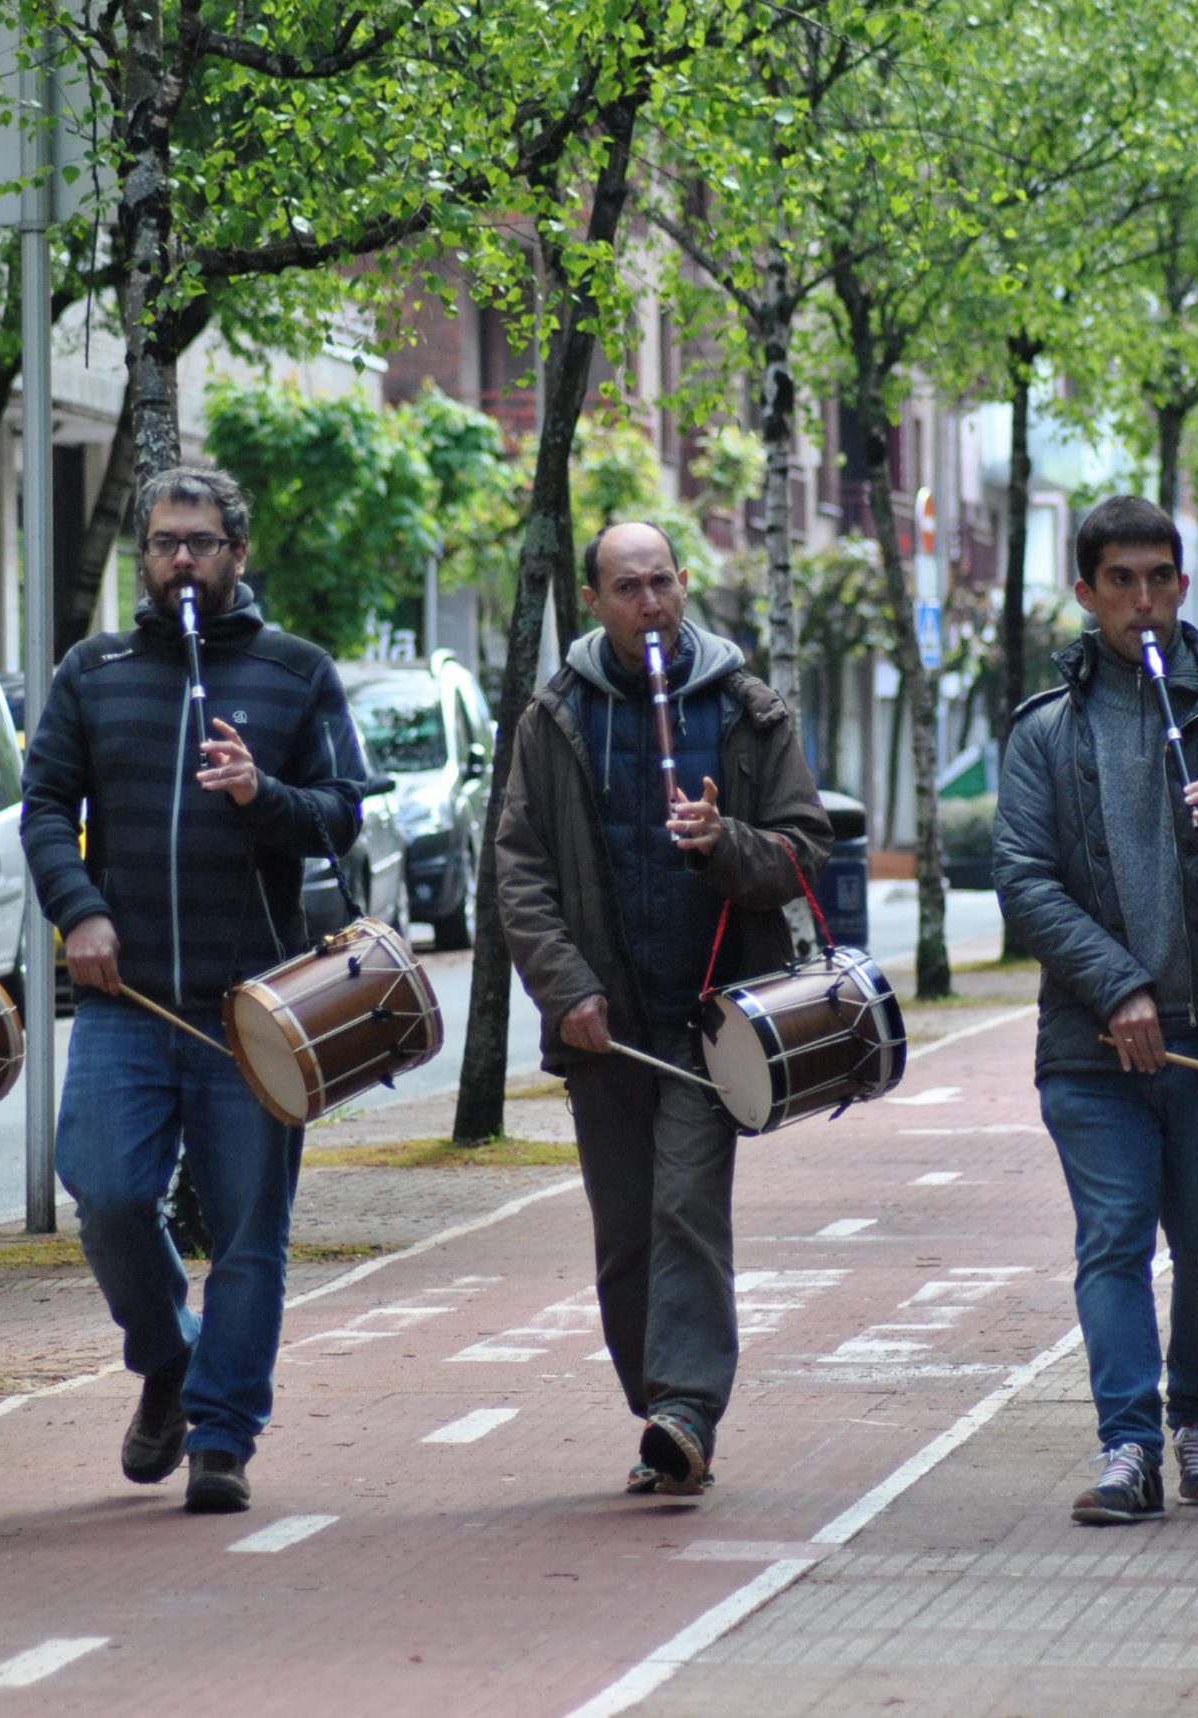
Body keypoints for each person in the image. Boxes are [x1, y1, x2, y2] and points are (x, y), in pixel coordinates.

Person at [23, 464, 365, 1515]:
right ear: (144, 554)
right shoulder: (95, 669)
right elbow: (44, 806)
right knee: (107, 1193)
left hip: (251, 1009)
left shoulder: (294, 671)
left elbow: (343, 813)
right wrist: (80, 909)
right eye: (165, 542)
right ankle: (169, 1357)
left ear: (236, 554)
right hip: (125, 1002)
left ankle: (222, 1437)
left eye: (201, 543)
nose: (181, 560)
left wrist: (264, 795)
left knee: (249, 1231)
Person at [992, 495, 1198, 1526]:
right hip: (1091, 1043)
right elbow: (1023, 879)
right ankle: (1129, 1445)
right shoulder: (1044, 729)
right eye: (1121, 581)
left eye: (1160, 579)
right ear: (1086, 592)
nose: (1143, 600)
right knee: (1113, 1238)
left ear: (1183, 584)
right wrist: (1117, 985)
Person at [497, 520, 831, 1497]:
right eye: (627, 588)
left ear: (684, 584)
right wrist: (567, 990)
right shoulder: (555, 716)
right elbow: (519, 871)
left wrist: (724, 841)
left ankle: (686, 1406)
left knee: (685, 1206)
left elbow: (802, 851)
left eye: (662, 583)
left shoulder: (745, 708)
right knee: (625, 1233)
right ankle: (661, 1411)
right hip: (604, 1025)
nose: (650, 605)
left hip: (710, 1022)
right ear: (593, 602)